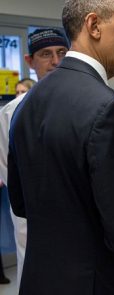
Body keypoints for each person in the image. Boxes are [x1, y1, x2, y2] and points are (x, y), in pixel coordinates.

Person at [7, 0, 114, 294]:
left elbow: (20, 203)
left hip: (40, 281)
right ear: (94, 26)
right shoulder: (111, 109)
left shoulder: (26, 105)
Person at [0, 27, 69, 289]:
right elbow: (8, 169)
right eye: (46, 54)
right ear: (30, 61)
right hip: (31, 218)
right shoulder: (12, 112)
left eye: (62, 52)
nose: (55, 61)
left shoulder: (85, 102)